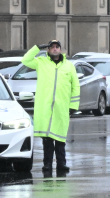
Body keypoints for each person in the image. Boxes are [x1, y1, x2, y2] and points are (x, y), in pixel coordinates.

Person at [21, 40, 79, 173]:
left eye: (57, 47)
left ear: (60, 49)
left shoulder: (69, 66)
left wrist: (73, 105)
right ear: (48, 50)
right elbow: (25, 60)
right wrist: (37, 48)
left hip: (61, 108)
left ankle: (61, 164)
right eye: (52, 47)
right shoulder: (41, 62)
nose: (54, 49)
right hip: (45, 108)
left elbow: (75, 86)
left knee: (60, 139)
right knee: (47, 140)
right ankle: (47, 164)